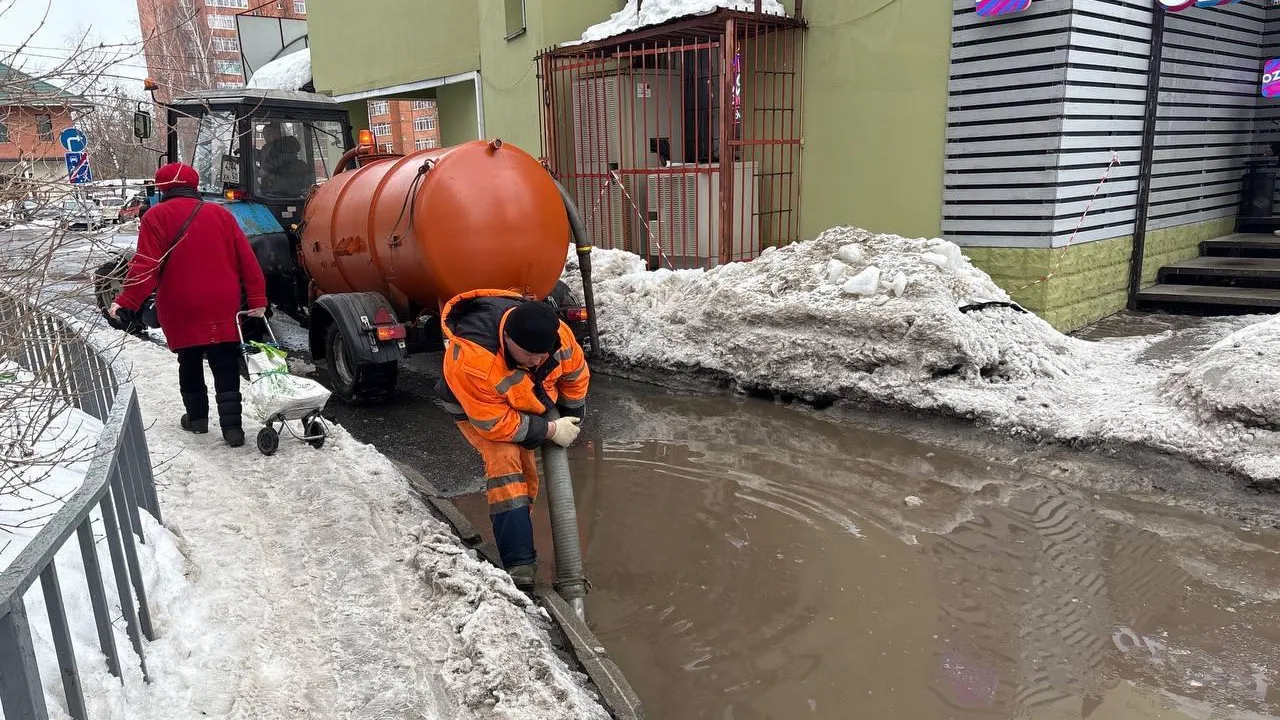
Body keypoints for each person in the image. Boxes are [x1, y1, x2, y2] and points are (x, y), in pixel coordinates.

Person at [436, 289, 590, 590]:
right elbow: (495, 424)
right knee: (506, 461)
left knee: (527, 469)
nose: (536, 361)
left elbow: (575, 376)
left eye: (542, 355)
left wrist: (572, 417)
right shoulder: (473, 360)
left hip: (526, 399)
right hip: (479, 410)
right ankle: (518, 563)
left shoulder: (556, 335)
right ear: (507, 338)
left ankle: (523, 538)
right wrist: (549, 430)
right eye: (529, 355)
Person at [109, 162, 268, 448]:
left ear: (162, 189)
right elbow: (248, 260)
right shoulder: (222, 214)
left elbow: (146, 265)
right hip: (223, 302)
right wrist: (256, 300)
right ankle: (233, 429)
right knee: (225, 361)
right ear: (194, 187)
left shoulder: (155, 216)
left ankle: (197, 420)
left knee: (190, 360)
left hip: (181, 302)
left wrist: (126, 301)